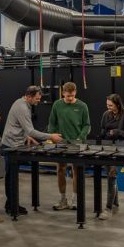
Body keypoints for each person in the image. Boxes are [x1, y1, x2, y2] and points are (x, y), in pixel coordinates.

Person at [1, 85, 61, 217]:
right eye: (37, 99)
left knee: (12, 177)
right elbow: (31, 130)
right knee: (11, 177)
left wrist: (26, 137)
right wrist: (51, 136)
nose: (38, 101)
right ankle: (12, 206)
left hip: (14, 143)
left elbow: (19, 126)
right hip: (11, 146)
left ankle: (11, 203)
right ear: (28, 96)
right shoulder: (22, 107)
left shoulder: (22, 103)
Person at [47, 81, 91, 211]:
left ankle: (75, 200)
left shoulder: (82, 106)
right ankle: (63, 199)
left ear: (75, 92)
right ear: (63, 93)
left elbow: (87, 125)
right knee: (60, 169)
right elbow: (52, 122)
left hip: (77, 144)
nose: (70, 98)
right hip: (61, 143)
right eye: (67, 96)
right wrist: (52, 136)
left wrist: (81, 137)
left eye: (72, 96)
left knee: (76, 171)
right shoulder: (57, 105)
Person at [96, 93, 124, 219]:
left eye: (110, 105)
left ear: (117, 104)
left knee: (112, 175)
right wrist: (103, 135)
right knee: (111, 175)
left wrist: (117, 132)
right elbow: (102, 129)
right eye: (107, 105)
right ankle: (115, 202)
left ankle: (108, 208)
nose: (108, 107)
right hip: (107, 147)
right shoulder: (106, 115)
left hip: (121, 148)